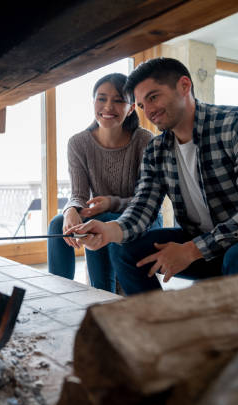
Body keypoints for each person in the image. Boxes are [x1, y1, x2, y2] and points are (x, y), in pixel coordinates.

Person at [67, 58, 238, 295]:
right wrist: (110, 230)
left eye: (153, 97)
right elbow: (143, 207)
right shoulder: (157, 149)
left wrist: (192, 250)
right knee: (124, 250)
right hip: (205, 243)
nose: (149, 111)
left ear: (184, 86)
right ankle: (160, 327)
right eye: (141, 105)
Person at [47, 73, 162, 293]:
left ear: (130, 108)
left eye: (118, 100)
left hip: (144, 218)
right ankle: (58, 294)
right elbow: (79, 193)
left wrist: (110, 203)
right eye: (101, 98)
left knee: (101, 219)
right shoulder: (78, 143)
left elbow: (147, 200)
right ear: (93, 102)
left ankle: (102, 295)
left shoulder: (145, 140)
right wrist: (71, 209)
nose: (108, 106)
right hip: (99, 214)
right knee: (57, 224)